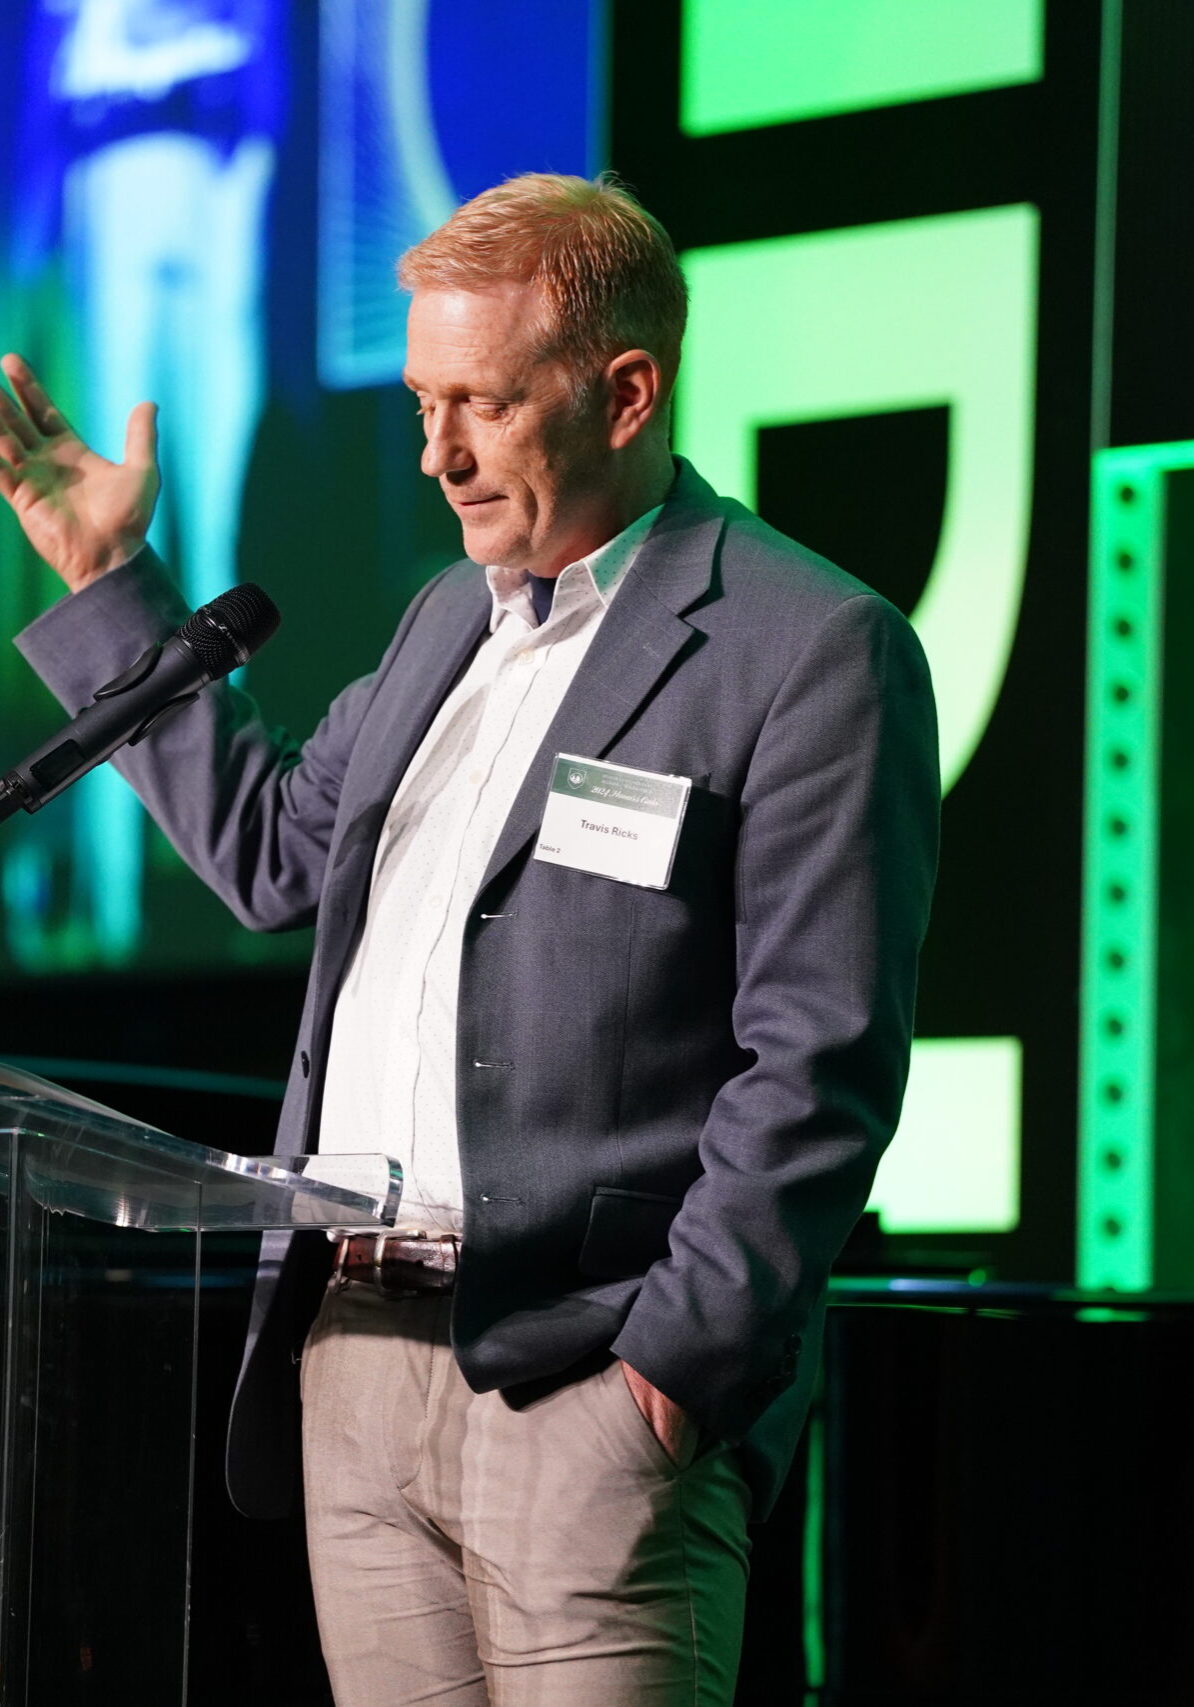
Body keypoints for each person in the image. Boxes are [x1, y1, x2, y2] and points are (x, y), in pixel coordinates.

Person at [0, 174, 939, 1706]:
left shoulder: (807, 648)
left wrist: (667, 1379)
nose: (436, 455)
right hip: (353, 1358)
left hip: (587, 1377)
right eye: (425, 401)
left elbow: (819, 1063)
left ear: (626, 391)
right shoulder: (449, 617)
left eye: (484, 407)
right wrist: (109, 586)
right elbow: (266, 854)